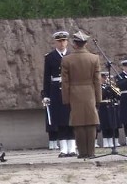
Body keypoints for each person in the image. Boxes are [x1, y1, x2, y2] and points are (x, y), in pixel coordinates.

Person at [61, 31, 101, 159]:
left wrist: (66, 100)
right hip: (90, 92)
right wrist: (98, 98)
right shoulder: (94, 58)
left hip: (74, 93)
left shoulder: (66, 59)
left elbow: (65, 82)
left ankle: (82, 152)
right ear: (85, 43)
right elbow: (97, 81)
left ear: (74, 44)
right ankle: (91, 152)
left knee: (78, 124)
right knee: (91, 122)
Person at [42, 31, 76, 157]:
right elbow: (46, 77)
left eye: (64, 41)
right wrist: (46, 94)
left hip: (70, 90)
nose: (62, 43)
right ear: (55, 42)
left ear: (67, 41)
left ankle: (72, 148)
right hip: (56, 90)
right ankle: (63, 149)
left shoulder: (72, 55)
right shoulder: (50, 57)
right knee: (60, 120)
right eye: (59, 41)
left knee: (70, 119)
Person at [98, 72, 120, 148]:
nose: (105, 79)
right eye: (104, 78)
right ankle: (105, 142)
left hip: (110, 106)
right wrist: (106, 89)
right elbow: (100, 96)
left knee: (111, 124)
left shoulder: (108, 86)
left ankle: (111, 141)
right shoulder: (98, 86)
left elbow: (116, 96)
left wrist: (114, 91)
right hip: (103, 106)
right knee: (105, 125)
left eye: (106, 77)